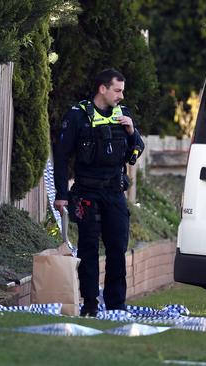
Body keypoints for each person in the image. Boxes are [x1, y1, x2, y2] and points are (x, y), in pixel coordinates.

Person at [53, 68, 145, 316]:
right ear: (102, 89)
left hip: (114, 192)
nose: (121, 96)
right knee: (89, 248)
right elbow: (61, 156)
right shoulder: (78, 116)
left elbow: (137, 149)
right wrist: (61, 193)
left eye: (122, 91)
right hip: (86, 193)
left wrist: (131, 131)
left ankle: (117, 305)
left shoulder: (122, 115)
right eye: (117, 90)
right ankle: (90, 304)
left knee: (117, 248)